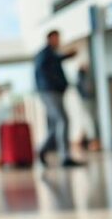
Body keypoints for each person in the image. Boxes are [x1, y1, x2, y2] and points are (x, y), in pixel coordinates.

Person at [34, 29, 83, 167]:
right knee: (63, 120)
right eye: (56, 38)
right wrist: (57, 84)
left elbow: (57, 60)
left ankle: (43, 150)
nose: (58, 41)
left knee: (57, 124)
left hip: (53, 92)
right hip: (50, 92)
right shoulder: (45, 53)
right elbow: (50, 65)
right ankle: (64, 156)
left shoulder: (51, 54)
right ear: (50, 39)